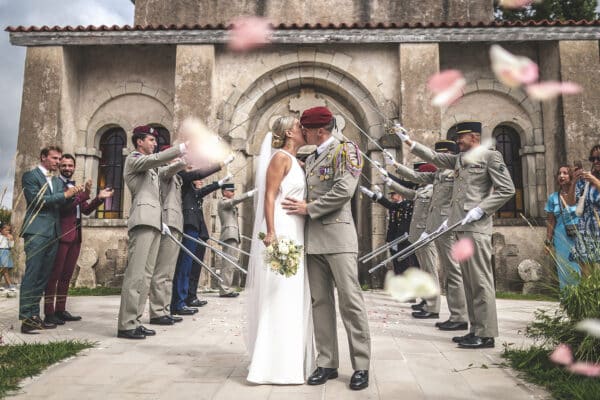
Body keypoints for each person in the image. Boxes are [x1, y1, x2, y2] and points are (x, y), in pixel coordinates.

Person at [398, 121, 515, 349]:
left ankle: (487, 332)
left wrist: (482, 208)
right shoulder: (459, 160)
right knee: (470, 282)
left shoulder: (491, 157)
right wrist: (409, 142)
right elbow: (434, 157)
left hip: (476, 227)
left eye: (461, 138)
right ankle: (475, 329)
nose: (457, 142)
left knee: (480, 280)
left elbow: (507, 189)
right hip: (459, 227)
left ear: (474, 137)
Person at [282, 106, 371, 390]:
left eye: (305, 129)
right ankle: (327, 362)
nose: (302, 133)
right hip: (313, 240)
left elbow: (344, 191)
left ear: (319, 130)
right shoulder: (311, 156)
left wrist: (310, 208)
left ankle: (361, 365)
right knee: (320, 302)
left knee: (350, 301)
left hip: (338, 238)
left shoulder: (348, 150)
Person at [245, 115, 314, 384]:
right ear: (288, 132)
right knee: (279, 293)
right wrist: (271, 232)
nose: (303, 129)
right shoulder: (280, 158)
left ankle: (290, 360)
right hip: (283, 229)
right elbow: (270, 195)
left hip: (297, 229)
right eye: (299, 127)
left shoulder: (296, 161)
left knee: (293, 295)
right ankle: (271, 365)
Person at [384, 140, 469, 331]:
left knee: (451, 272)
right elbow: (414, 178)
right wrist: (393, 169)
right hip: (431, 230)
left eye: (443, 154)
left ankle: (458, 315)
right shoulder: (439, 175)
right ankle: (439, 309)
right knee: (433, 270)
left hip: (445, 228)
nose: (439, 157)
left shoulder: (453, 173)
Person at [117, 125, 187, 340]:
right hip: (143, 221)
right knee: (135, 275)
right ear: (139, 141)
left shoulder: (153, 168)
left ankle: (135, 321)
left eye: (155, 141)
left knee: (146, 277)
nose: (154, 143)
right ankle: (126, 324)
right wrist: (181, 147)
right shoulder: (134, 159)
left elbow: (166, 170)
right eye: (150, 140)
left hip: (155, 223)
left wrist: (184, 160)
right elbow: (154, 161)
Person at [44, 154, 113, 325]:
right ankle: (49, 313)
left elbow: (86, 210)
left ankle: (60, 310)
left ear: (74, 167)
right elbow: (64, 207)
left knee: (66, 275)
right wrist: (84, 194)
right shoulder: (56, 185)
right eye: (64, 165)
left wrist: (98, 198)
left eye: (70, 166)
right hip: (60, 235)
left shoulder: (75, 187)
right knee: (55, 275)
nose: (67, 168)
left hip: (76, 236)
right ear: (59, 167)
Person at [20, 145, 82, 334]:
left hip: (55, 233)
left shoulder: (56, 181)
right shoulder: (30, 176)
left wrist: (79, 194)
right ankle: (26, 318)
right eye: (55, 158)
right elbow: (38, 201)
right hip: (37, 231)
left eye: (59, 158)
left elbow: (62, 204)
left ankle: (35, 315)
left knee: (43, 277)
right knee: (32, 275)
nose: (58, 162)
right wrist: (65, 195)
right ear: (43, 157)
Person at [372, 163, 441, 320]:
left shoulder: (433, 190)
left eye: (420, 174)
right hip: (418, 236)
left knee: (429, 271)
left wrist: (390, 175)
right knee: (424, 270)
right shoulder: (422, 190)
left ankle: (432, 307)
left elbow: (407, 189)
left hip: (426, 235)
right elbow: (407, 188)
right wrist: (388, 178)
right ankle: (427, 303)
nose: (417, 177)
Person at [171, 164, 230, 315]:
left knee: (191, 267)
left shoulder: (193, 191)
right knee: (184, 267)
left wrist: (220, 183)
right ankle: (179, 302)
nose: (200, 180)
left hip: (196, 228)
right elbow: (197, 175)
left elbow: (203, 190)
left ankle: (186, 298)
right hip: (189, 227)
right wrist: (218, 165)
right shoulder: (184, 181)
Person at [144, 153, 187, 326]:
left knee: (169, 272)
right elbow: (170, 169)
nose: (178, 162)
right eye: (175, 159)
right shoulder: (164, 171)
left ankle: (165, 309)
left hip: (176, 223)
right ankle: (156, 312)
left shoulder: (177, 178)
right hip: (168, 221)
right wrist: (184, 160)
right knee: (161, 272)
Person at [544, 165, 581, 289]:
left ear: (571, 176)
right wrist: (548, 242)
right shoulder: (553, 198)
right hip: (560, 237)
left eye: (565, 173)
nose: (561, 176)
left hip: (578, 236)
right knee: (564, 269)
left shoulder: (579, 194)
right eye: (559, 173)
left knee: (579, 267)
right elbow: (551, 221)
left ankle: (582, 301)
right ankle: (567, 300)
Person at [216, 183, 256, 297]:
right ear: (224, 192)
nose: (233, 193)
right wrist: (248, 194)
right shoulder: (223, 202)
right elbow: (233, 201)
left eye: (234, 191)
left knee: (231, 263)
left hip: (233, 235)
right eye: (231, 191)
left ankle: (226, 288)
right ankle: (224, 289)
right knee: (228, 264)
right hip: (229, 235)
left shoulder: (228, 203)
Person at [568, 144, 600, 273]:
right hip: (584, 231)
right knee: (586, 274)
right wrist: (574, 181)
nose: (596, 162)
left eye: (599, 158)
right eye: (593, 159)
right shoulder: (585, 181)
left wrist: (595, 181)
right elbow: (571, 202)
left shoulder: (591, 179)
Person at [0, 222, 16, 292]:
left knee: (3, 270)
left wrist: (11, 240)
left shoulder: (9, 237)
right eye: (6, 230)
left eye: (9, 230)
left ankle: (5, 285)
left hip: (6, 252)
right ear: (1, 230)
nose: (8, 232)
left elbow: (11, 246)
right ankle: (10, 285)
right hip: (1, 252)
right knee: (4, 270)